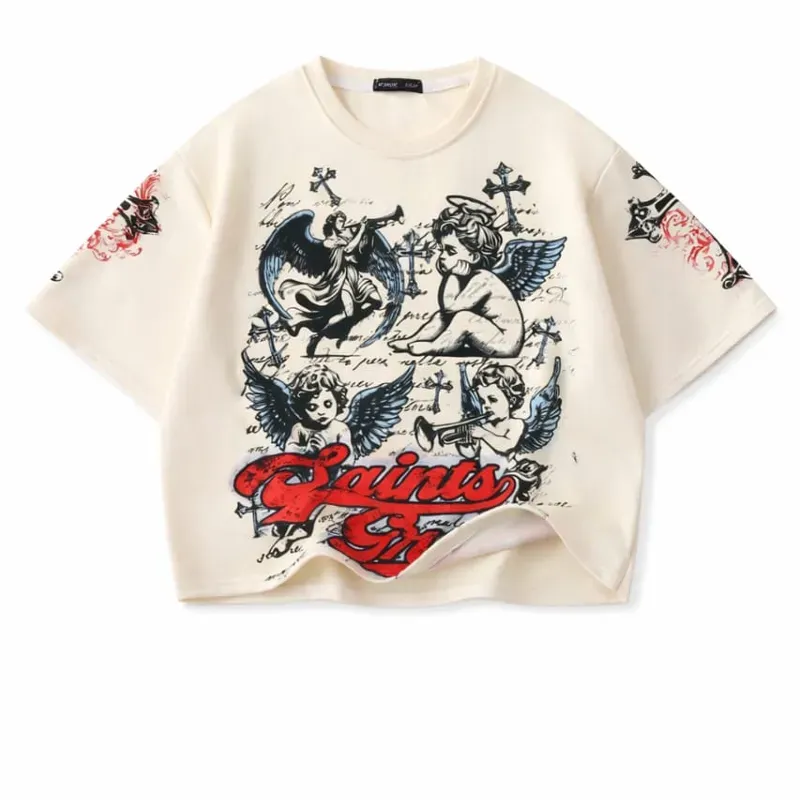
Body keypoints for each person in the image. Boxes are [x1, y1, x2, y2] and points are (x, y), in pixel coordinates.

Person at [389, 197, 523, 357]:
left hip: (505, 343)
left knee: (463, 317)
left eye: (450, 251)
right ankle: (414, 339)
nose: (442, 256)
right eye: (442, 249)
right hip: (490, 335)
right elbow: (445, 313)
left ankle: (435, 346)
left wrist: (452, 275)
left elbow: (450, 307)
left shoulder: (483, 279)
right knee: (440, 317)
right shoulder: (469, 277)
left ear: (473, 256)